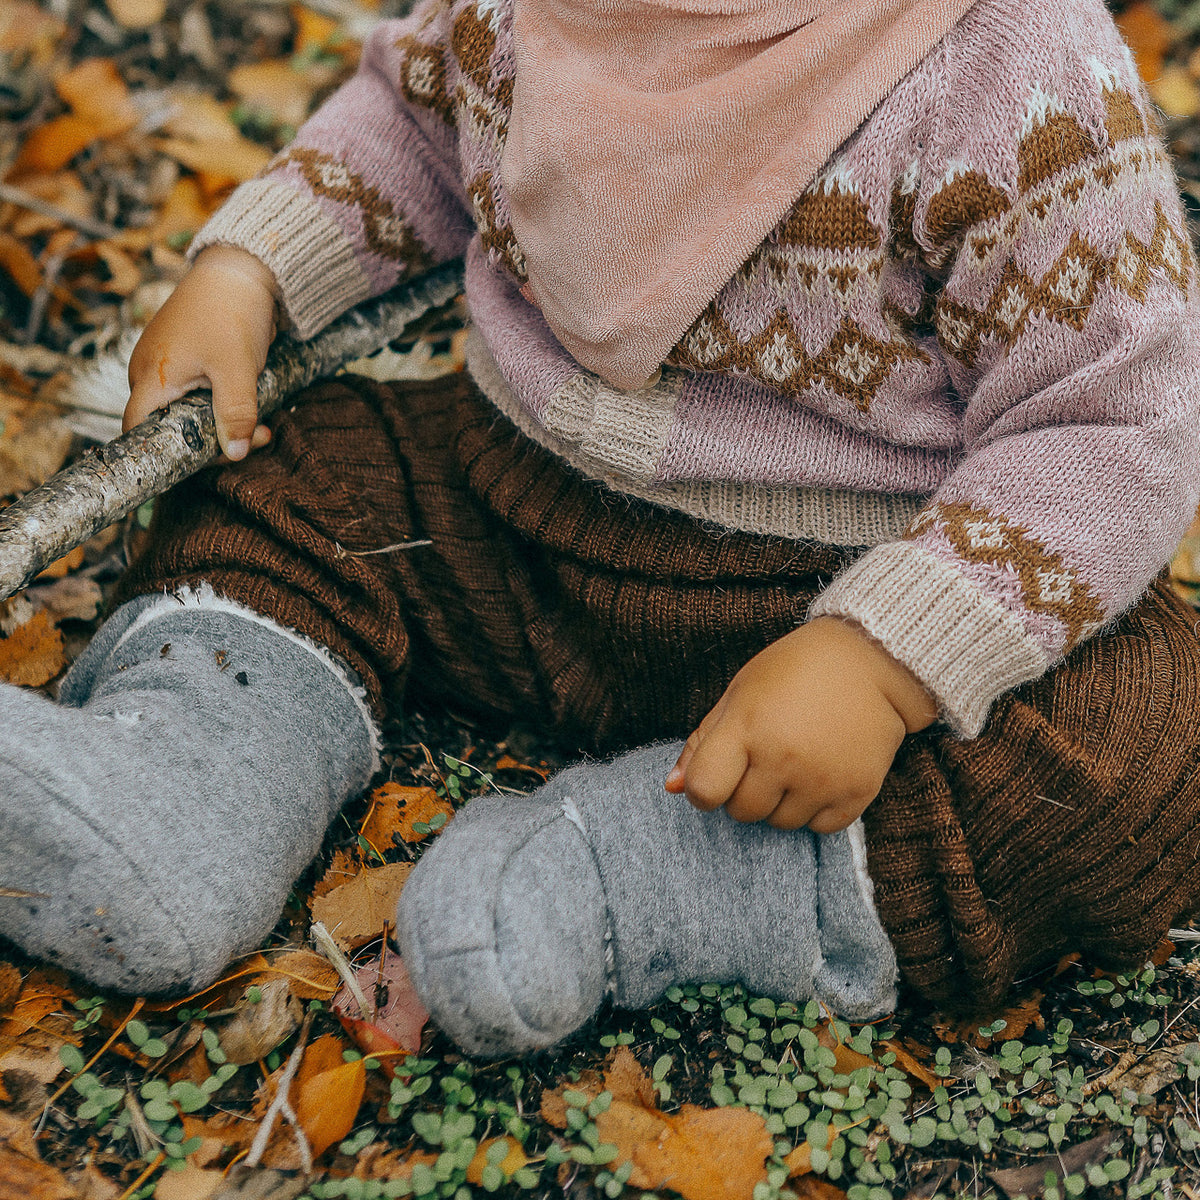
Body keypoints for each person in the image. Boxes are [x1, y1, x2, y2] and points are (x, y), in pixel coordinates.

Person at [3, 0, 1200, 1059]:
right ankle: (190, 779)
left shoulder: (1011, 66)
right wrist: (251, 270)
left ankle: (661, 878)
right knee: (293, 470)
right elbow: (414, 122)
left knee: (1137, 735)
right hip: (507, 514)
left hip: (841, 592)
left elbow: (1112, 421)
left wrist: (887, 659)